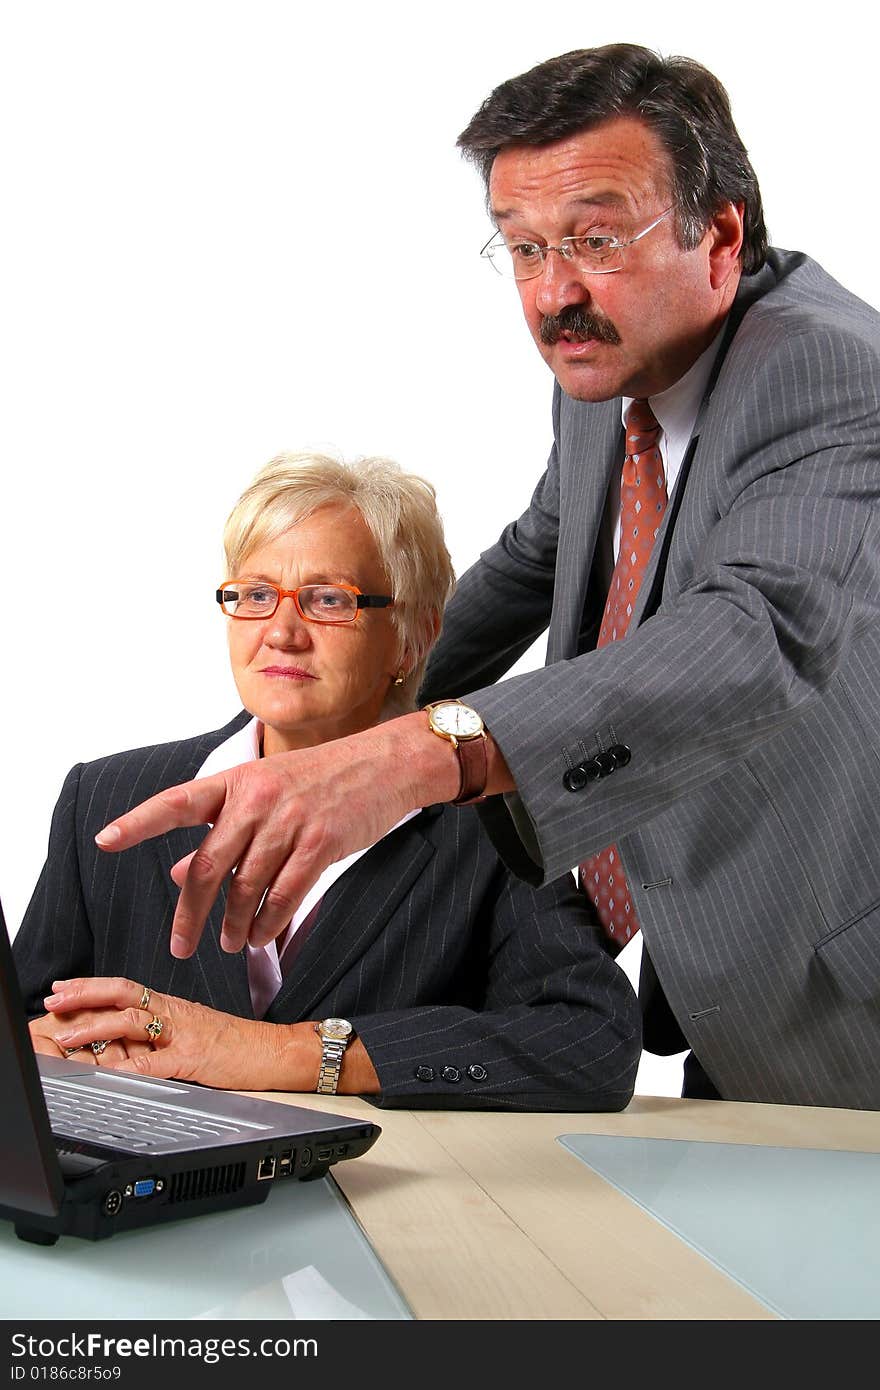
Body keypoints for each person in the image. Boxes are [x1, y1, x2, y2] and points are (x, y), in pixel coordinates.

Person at [88, 45, 880, 1111]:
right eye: (522, 246)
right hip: (728, 987)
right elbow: (541, 554)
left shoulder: (829, 372)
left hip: (844, 986)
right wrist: (344, 702)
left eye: (597, 239)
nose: (555, 292)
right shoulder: (616, 367)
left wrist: (425, 753)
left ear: (721, 237)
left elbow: (755, 630)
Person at [15, 451, 640, 1110]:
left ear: (411, 640)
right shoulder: (106, 798)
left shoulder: (488, 827)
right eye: (255, 595)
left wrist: (280, 1054)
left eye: (328, 599)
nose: (281, 632)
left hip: (377, 1201)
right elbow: (28, 1022)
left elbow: (591, 1042)